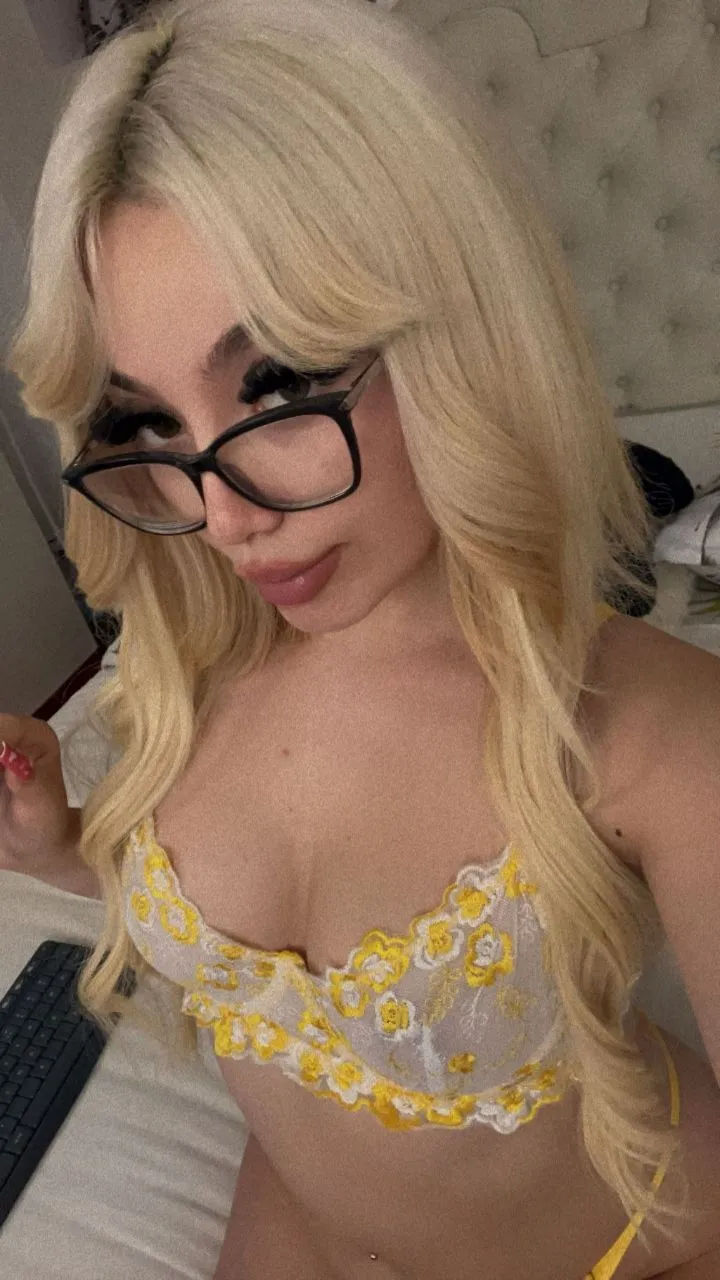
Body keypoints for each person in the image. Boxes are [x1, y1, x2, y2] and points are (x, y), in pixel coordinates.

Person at [3, 0, 720, 1275]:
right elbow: (216, 924)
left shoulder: (648, 733)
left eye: (277, 383)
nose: (223, 515)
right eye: (149, 424)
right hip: (300, 1226)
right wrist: (64, 849)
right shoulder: (196, 659)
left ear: (461, 333)